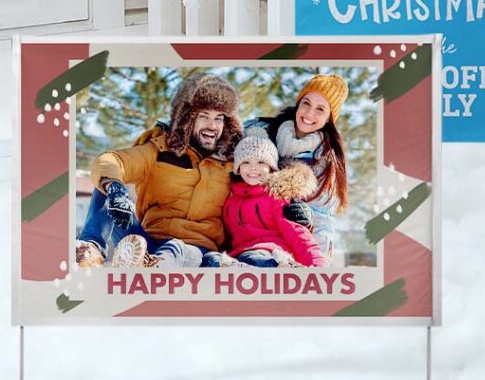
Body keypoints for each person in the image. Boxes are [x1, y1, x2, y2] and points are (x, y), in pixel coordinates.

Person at [75, 72, 243, 269]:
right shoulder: (159, 151)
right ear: (187, 119)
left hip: (195, 250)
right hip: (144, 244)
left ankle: (152, 268)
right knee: (106, 184)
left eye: (219, 118)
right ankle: (91, 248)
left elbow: (261, 183)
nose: (213, 126)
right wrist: (115, 188)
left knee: (177, 248)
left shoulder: (232, 164)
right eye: (204, 116)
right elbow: (111, 161)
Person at [244, 73, 349, 261]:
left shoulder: (325, 160)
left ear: (329, 118)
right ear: (298, 104)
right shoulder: (260, 130)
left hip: (292, 246)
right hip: (247, 232)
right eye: (306, 103)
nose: (309, 113)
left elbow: (321, 218)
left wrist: (317, 261)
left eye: (320, 109)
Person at [221, 136, 326, 268]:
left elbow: (297, 234)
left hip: (273, 252)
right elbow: (228, 238)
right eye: (246, 162)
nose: (253, 167)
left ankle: (284, 267)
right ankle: (234, 267)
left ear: (271, 167)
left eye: (261, 162)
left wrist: (317, 266)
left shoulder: (275, 196)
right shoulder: (231, 202)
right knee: (211, 258)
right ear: (238, 168)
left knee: (252, 257)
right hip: (239, 255)